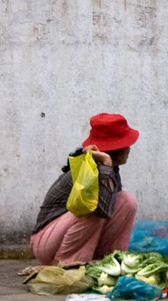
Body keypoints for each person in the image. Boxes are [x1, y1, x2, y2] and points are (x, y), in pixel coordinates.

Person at [30, 112, 140, 266]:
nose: (129, 149)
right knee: (92, 207)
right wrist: (107, 163)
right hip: (46, 243)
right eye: (126, 145)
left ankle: (109, 260)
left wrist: (108, 167)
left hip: (73, 235)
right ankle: (69, 263)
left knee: (127, 201)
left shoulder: (109, 169)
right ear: (117, 149)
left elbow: (109, 209)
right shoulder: (88, 169)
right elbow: (101, 210)